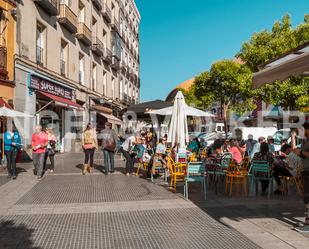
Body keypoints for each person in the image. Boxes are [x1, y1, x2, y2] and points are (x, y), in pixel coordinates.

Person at [293, 122, 309, 233]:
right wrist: (292, 136)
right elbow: (295, 151)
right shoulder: (306, 140)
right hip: (305, 171)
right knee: (306, 198)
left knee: (308, 198)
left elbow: (302, 153)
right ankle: (307, 222)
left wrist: (302, 152)